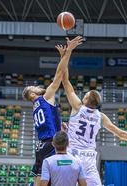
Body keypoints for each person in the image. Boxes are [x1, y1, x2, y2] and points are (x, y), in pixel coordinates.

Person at [55, 46, 127, 186]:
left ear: (86, 100)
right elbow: (121, 134)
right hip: (88, 158)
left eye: (86, 94)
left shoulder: (77, 107)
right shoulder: (100, 117)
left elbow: (65, 81)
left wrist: (64, 56)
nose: (84, 94)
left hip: (72, 155)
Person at [22, 36, 83, 186]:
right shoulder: (45, 97)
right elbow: (59, 75)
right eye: (34, 87)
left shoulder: (35, 107)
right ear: (32, 94)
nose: (37, 87)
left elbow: (50, 119)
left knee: (38, 180)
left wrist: (59, 124)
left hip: (41, 145)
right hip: (52, 144)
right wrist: (68, 51)